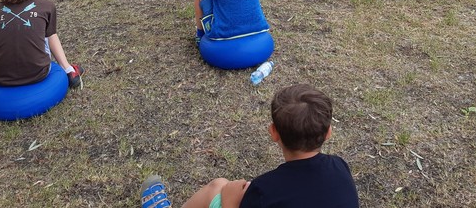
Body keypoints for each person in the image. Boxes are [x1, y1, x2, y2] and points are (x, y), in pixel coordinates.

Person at [139, 84, 359, 208]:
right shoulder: (340, 167)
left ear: (273, 132)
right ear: (329, 132)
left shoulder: (264, 190)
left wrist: (230, 201)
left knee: (218, 187)